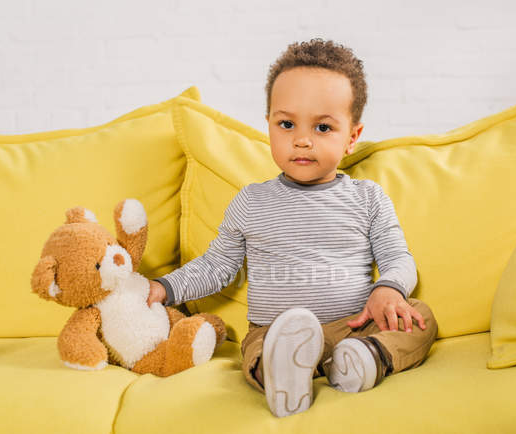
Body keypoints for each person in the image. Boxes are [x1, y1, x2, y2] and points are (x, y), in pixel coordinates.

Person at [146, 38, 438, 418]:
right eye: (286, 124)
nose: (301, 139)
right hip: (275, 332)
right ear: (268, 125)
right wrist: (164, 288)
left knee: (419, 315)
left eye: (322, 127)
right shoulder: (252, 201)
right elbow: (216, 267)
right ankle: (283, 375)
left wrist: (388, 288)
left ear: (351, 137)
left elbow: (398, 257)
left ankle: (366, 359)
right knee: (260, 349)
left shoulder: (368, 198)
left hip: (353, 327)